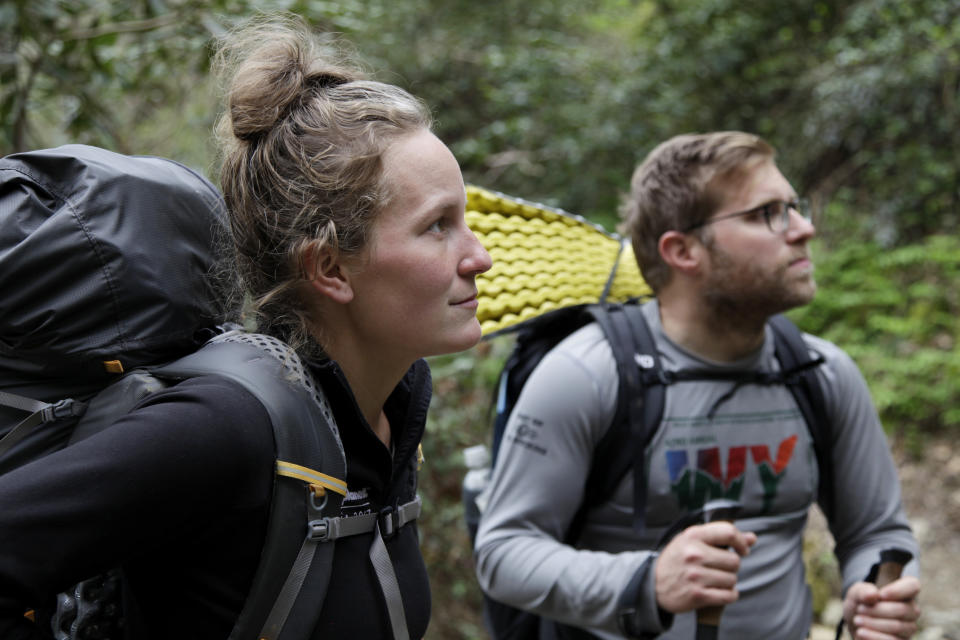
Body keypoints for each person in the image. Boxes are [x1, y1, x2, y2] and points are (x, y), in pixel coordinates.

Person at [0, 14, 490, 640]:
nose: (479, 256)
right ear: (331, 267)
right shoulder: (227, 428)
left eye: (464, 218)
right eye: (437, 226)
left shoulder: (391, 413)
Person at [473, 131, 921, 640]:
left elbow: (876, 532)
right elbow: (503, 552)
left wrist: (877, 594)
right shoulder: (585, 376)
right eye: (765, 214)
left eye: (796, 208)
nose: (802, 229)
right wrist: (647, 580)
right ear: (683, 250)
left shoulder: (822, 373)